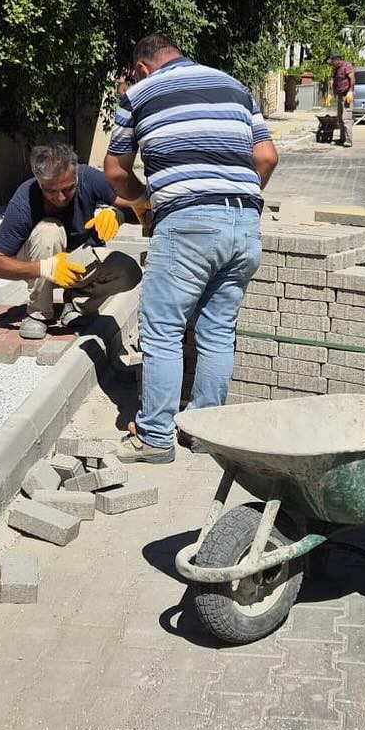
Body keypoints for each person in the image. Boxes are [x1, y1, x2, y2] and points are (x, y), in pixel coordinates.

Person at [103, 33, 278, 464]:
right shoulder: (235, 86)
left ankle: (156, 437)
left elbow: (114, 171)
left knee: (163, 330)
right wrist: (237, 202)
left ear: (143, 67)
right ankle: (204, 432)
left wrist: (144, 199)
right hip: (245, 223)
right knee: (217, 331)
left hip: (187, 222)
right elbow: (268, 157)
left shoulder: (140, 91)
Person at [0, 143, 143, 340]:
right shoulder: (24, 200)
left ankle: (77, 305)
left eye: (68, 189)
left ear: (76, 175)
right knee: (49, 230)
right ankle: (38, 313)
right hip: (41, 263)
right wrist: (47, 268)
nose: (61, 197)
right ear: (39, 182)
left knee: (129, 272)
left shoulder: (88, 177)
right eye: (51, 191)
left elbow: (140, 207)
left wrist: (117, 214)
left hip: (80, 262)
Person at [329, 52, 356, 147]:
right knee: (340, 118)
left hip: (347, 95)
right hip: (340, 95)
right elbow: (334, 82)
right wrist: (331, 94)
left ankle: (348, 140)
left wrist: (350, 91)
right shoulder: (336, 69)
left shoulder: (347, 66)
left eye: (333, 61)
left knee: (346, 118)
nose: (332, 63)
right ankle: (342, 138)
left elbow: (352, 78)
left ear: (337, 60)